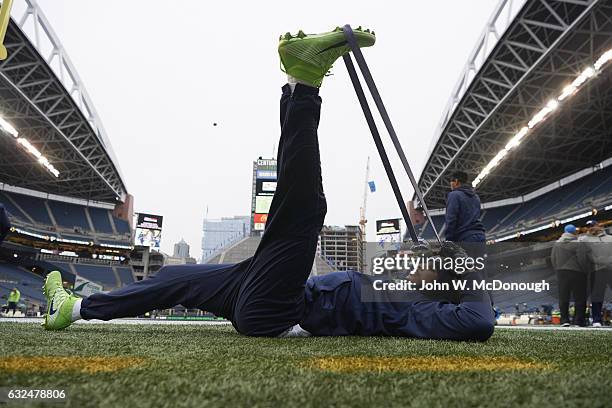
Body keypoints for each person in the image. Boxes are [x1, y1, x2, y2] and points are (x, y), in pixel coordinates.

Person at [40, 27, 495, 342]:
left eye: (428, 262)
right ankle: (74, 310)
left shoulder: (428, 311)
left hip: (278, 311)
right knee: (174, 276)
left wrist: (465, 270)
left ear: (443, 281)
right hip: (264, 293)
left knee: (305, 210)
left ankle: (304, 83)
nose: (417, 258)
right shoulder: (394, 284)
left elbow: (480, 322)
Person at [551, 224, 587, 326]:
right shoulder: (578, 244)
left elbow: (553, 259)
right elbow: (582, 259)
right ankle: (578, 321)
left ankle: (564, 320)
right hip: (577, 273)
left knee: (563, 297)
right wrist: (585, 270)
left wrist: (558, 269)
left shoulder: (557, 244)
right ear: (574, 232)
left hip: (562, 273)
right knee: (579, 297)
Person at [578, 220, 612, 327]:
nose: (591, 228)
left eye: (593, 226)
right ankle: (596, 319)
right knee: (597, 296)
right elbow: (583, 256)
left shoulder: (610, 238)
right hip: (596, 271)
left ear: (598, 226)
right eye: (589, 227)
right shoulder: (584, 240)